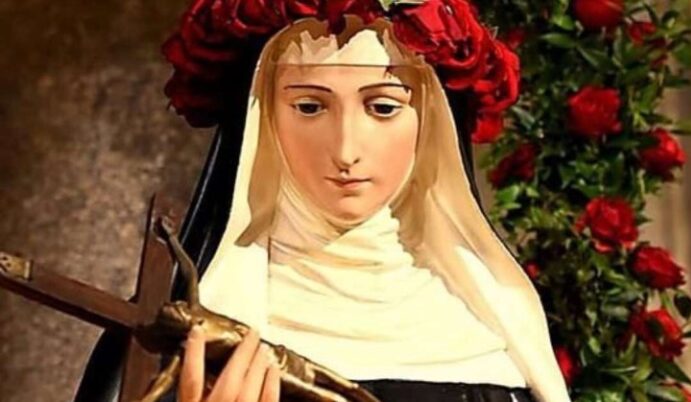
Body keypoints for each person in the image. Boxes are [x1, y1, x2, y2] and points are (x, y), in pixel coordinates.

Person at [74, 4, 571, 402]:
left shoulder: (496, 331)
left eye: (383, 107)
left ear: (431, 121)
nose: (346, 149)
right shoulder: (178, 334)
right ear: (263, 117)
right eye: (310, 107)